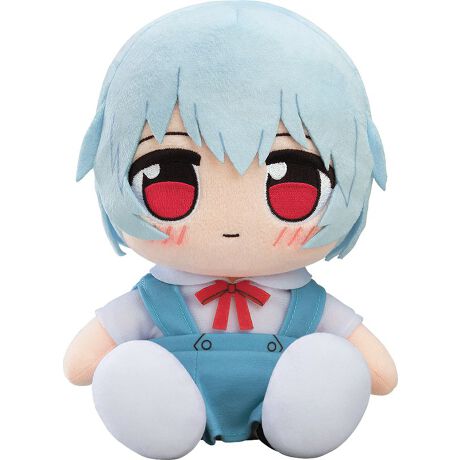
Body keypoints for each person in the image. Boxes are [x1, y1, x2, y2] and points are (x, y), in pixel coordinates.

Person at [64, 2, 397, 458]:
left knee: (333, 361)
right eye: (168, 180)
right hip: (173, 401)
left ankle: (303, 426)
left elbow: (381, 376)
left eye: (294, 184)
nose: (232, 224)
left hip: (290, 403)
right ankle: (162, 423)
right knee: (124, 367)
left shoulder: (308, 304)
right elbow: (81, 365)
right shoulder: (153, 300)